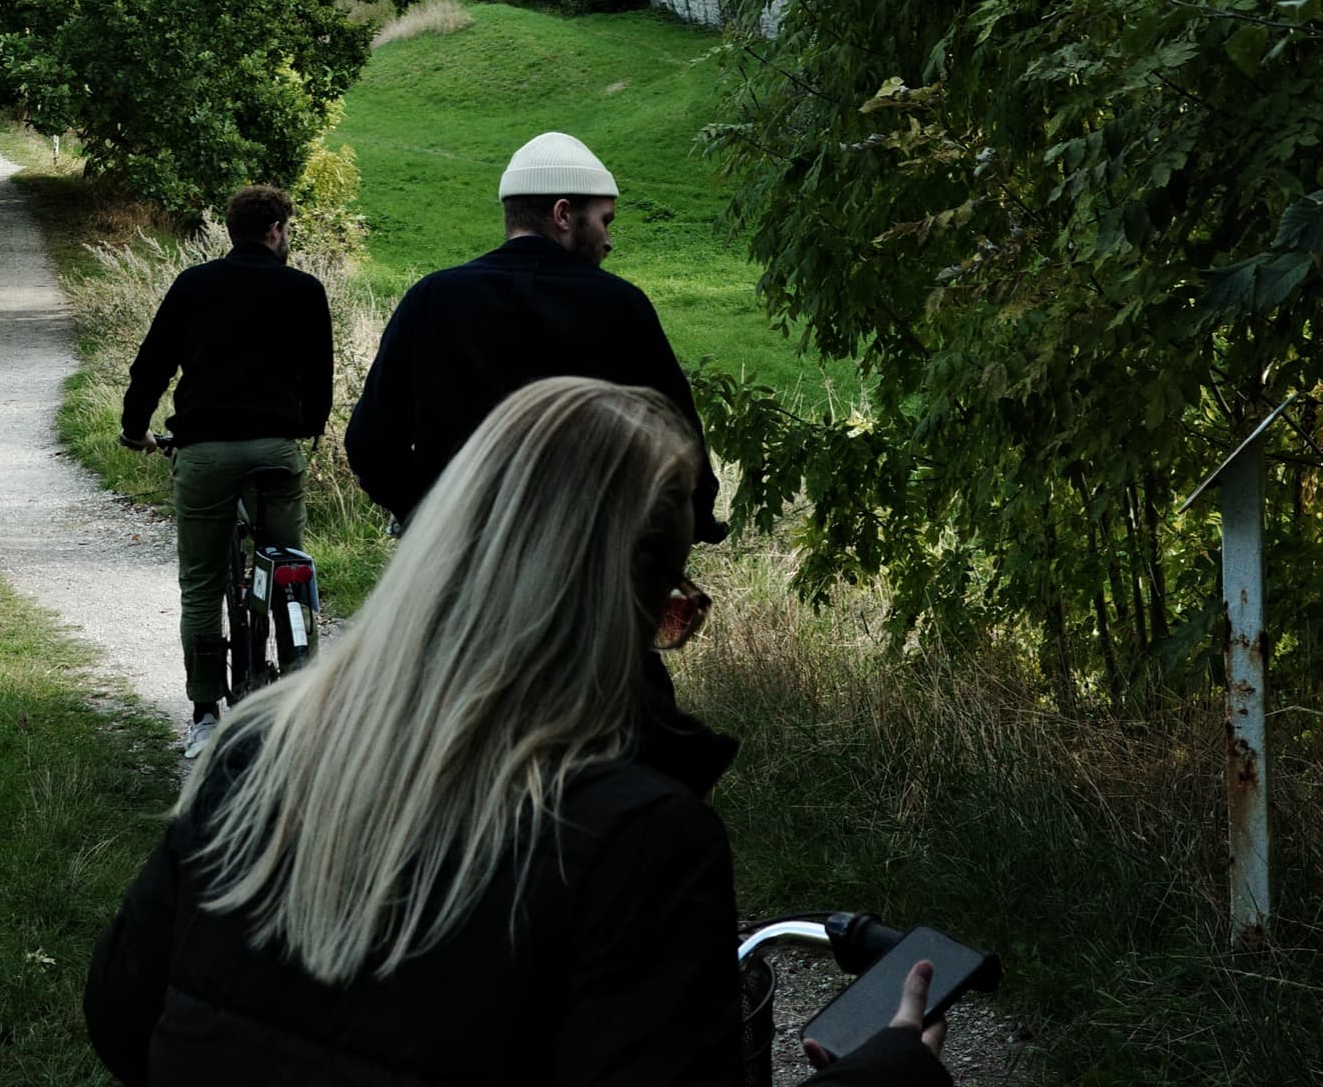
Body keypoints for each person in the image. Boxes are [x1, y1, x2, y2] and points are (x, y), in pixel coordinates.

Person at [83, 377, 948, 1087]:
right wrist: (892, 1078)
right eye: (672, 612)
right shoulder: (634, 845)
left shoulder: (256, 751)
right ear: (620, 606)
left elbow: (123, 1024)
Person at [345, 129, 727, 542]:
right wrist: (690, 523)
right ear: (563, 214)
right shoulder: (619, 305)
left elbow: (371, 442)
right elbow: (676, 438)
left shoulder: (433, 298)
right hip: (579, 564)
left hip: (454, 556)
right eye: (605, 221)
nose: (609, 240)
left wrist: (426, 513)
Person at [120, 181, 333, 762]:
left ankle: (205, 714)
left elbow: (152, 365)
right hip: (276, 452)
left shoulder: (194, 285)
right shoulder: (305, 290)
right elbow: (320, 381)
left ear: (232, 231)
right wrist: (306, 432)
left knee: (203, 585)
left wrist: (135, 428)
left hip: (206, 453)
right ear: (274, 231)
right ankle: (293, 711)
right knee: (290, 574)